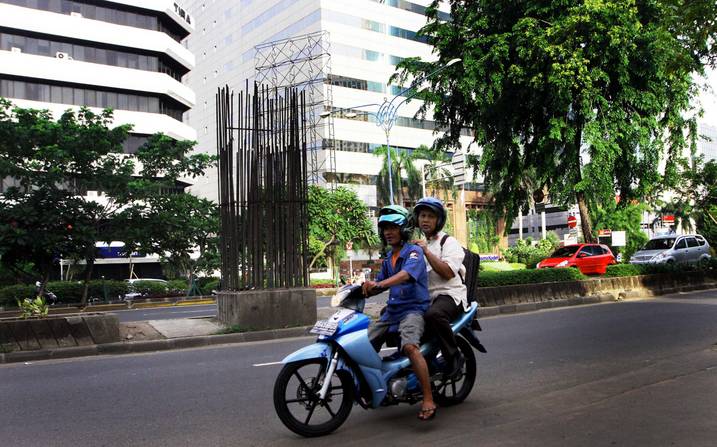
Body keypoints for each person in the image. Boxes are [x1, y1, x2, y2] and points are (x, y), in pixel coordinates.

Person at [362, 205, 437, 421]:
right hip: (392, 312)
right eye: (385, 228)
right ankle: (378, 387)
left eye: (393, 227)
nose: (388, 232)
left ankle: (429, 398)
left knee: (411, 347)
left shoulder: (413, 252)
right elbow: (381, 284)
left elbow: (405, 276)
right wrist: (364, 289)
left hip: (412, 310)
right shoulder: (389, 258)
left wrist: (380, 284)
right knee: (364, 344)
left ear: (403, 229)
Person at [413, 197, 469, 379]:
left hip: (450, 296)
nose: (425, 220)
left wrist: (427, 252)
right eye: (422, 215)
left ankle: (454, 356)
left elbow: (447, 272)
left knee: (434, 315)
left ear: (439, 220)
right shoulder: (419, 244)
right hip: (427, 299)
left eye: (430, 216)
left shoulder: (448, 242)